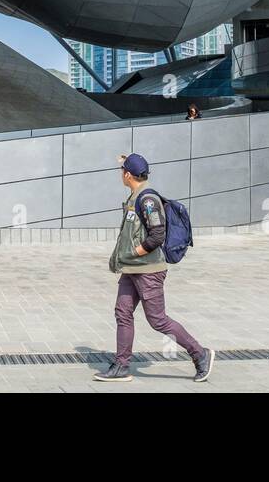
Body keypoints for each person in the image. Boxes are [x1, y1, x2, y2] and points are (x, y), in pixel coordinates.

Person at [94, 152, 214, 383]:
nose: (120, 174)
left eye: (122, 170)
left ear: (128, 175)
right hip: (132, 269)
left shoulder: (147, 200)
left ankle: (200, 354)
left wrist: (133, 253)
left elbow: (157, 235)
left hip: (148, 271)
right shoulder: (136, 195)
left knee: (157, 320)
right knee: (122, 312)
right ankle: (121, 365)